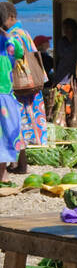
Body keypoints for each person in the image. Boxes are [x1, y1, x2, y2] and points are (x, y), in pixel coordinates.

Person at [0, 1, 50, 153]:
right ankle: (36, 145)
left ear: (12, 17)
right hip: (32, 81)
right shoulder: (24, 33)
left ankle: (24, 149)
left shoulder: (14, 35)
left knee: (22, 114)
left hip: (19, 83)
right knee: (34, 112)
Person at [49, 18, 77, 126]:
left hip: (74, 77)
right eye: (65, 28)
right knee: (60, 101)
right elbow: (58, 59)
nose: (66, 30)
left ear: (75, 29)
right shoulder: (62, 42)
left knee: (72, 102)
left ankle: (70, 121)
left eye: (69, 28)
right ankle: (62, 121)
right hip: (61, 76)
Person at [0, 28, 25, 184]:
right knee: (5, 134)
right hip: (6, 94)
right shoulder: (11, 42)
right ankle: (2, 174)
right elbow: (19, 55)